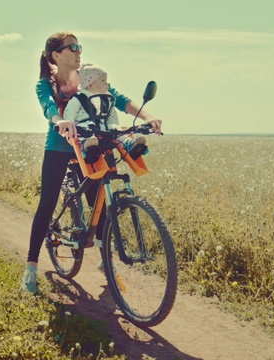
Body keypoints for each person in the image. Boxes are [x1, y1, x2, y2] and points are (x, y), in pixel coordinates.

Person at [21, 31, 163, 293]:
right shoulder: (46, 84)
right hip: (61, 146)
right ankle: (30, 267)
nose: (78, 51)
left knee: (100, 200)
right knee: (48, 201)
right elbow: (48, 107)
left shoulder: (88, 75)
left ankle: (105, 261)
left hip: (94, 143)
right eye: (72, 47)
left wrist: (148, 116)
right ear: (56, 55)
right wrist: (59, 120)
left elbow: (119, 99)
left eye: (79, 47)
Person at [63, 63, 147, 163]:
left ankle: (129, 145)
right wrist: (69, 123)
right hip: (84, 127)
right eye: (103, 81)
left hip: (102, 127)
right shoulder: (79, 98)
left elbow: (111, 115)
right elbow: (70, 111)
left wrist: (114, 127)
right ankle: (88, 148)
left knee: (115, 128)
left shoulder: (106, 99)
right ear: (90, 84)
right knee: (87, 133)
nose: (106, 84)